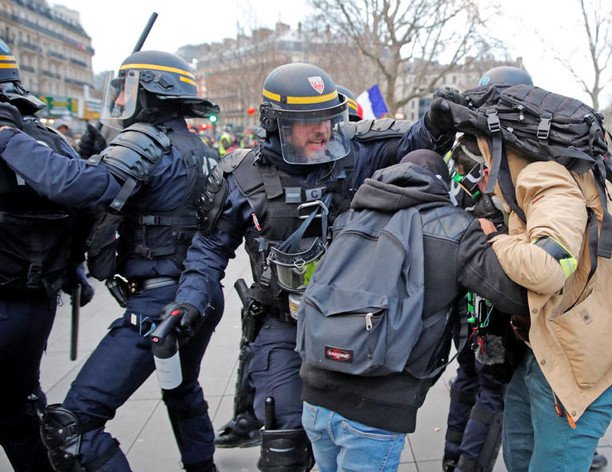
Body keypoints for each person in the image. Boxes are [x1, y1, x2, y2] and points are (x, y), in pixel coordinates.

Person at [173, 62, 455, 470]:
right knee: (284, 447)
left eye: (328, 118)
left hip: (349, 324)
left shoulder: (355, 152)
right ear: (276, 124)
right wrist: (189, 303)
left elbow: (415, 141)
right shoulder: (240, 174)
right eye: (309, 122)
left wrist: (437, 119)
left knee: (346, 438)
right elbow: (208, 249)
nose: (323, 130)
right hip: (280, 324)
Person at [0, 50, 223, 472]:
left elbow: (77, 186)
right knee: (181, 390)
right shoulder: (203, 149)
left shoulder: (145, 141)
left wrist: (8, 137)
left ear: (151, 95)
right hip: (200, 297)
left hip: (158, 307)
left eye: (126, 91)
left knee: (73, 425)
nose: (120, 101)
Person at [298, 149, 528, 472]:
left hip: (314, 394)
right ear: (443, 185)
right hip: (377, 408)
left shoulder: (351, 215)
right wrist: (498, 241)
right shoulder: (458, 229)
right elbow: (513, 297)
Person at [466, 109, 612, 470]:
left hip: (576, 368)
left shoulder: (544, 177)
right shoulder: (539, 177)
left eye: (481, 155)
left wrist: (492, 238)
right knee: (520, 456)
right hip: (541, 357)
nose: (480, 170)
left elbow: (547, 268)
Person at [0, 38, 93, 472]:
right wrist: (74, 265)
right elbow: (85, 207)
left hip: (15, 296)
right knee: (19, 405)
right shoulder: (47, 140)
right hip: (38, 300)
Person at [441, 65, 533, 472]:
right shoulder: (519, 152)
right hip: (498, 287)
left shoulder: (462, 148)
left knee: (468, 376)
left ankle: (450, 457)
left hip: (464, 283)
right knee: (493, 384)